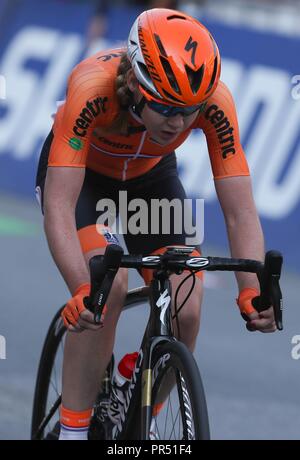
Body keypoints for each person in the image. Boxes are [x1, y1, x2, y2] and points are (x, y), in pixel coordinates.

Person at [35, 7, 276, 441]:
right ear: (135, 83)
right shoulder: (92, 88)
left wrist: (251, 289)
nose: (178, 122)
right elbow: (58, 204)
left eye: (190, 111)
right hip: (85, 180)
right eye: (166, 107)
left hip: (151, 181)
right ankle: (72, 433)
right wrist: (80, 286)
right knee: (106, 291)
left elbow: (240, 210)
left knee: (187, 302)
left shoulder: (215, 100)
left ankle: (135, 409)